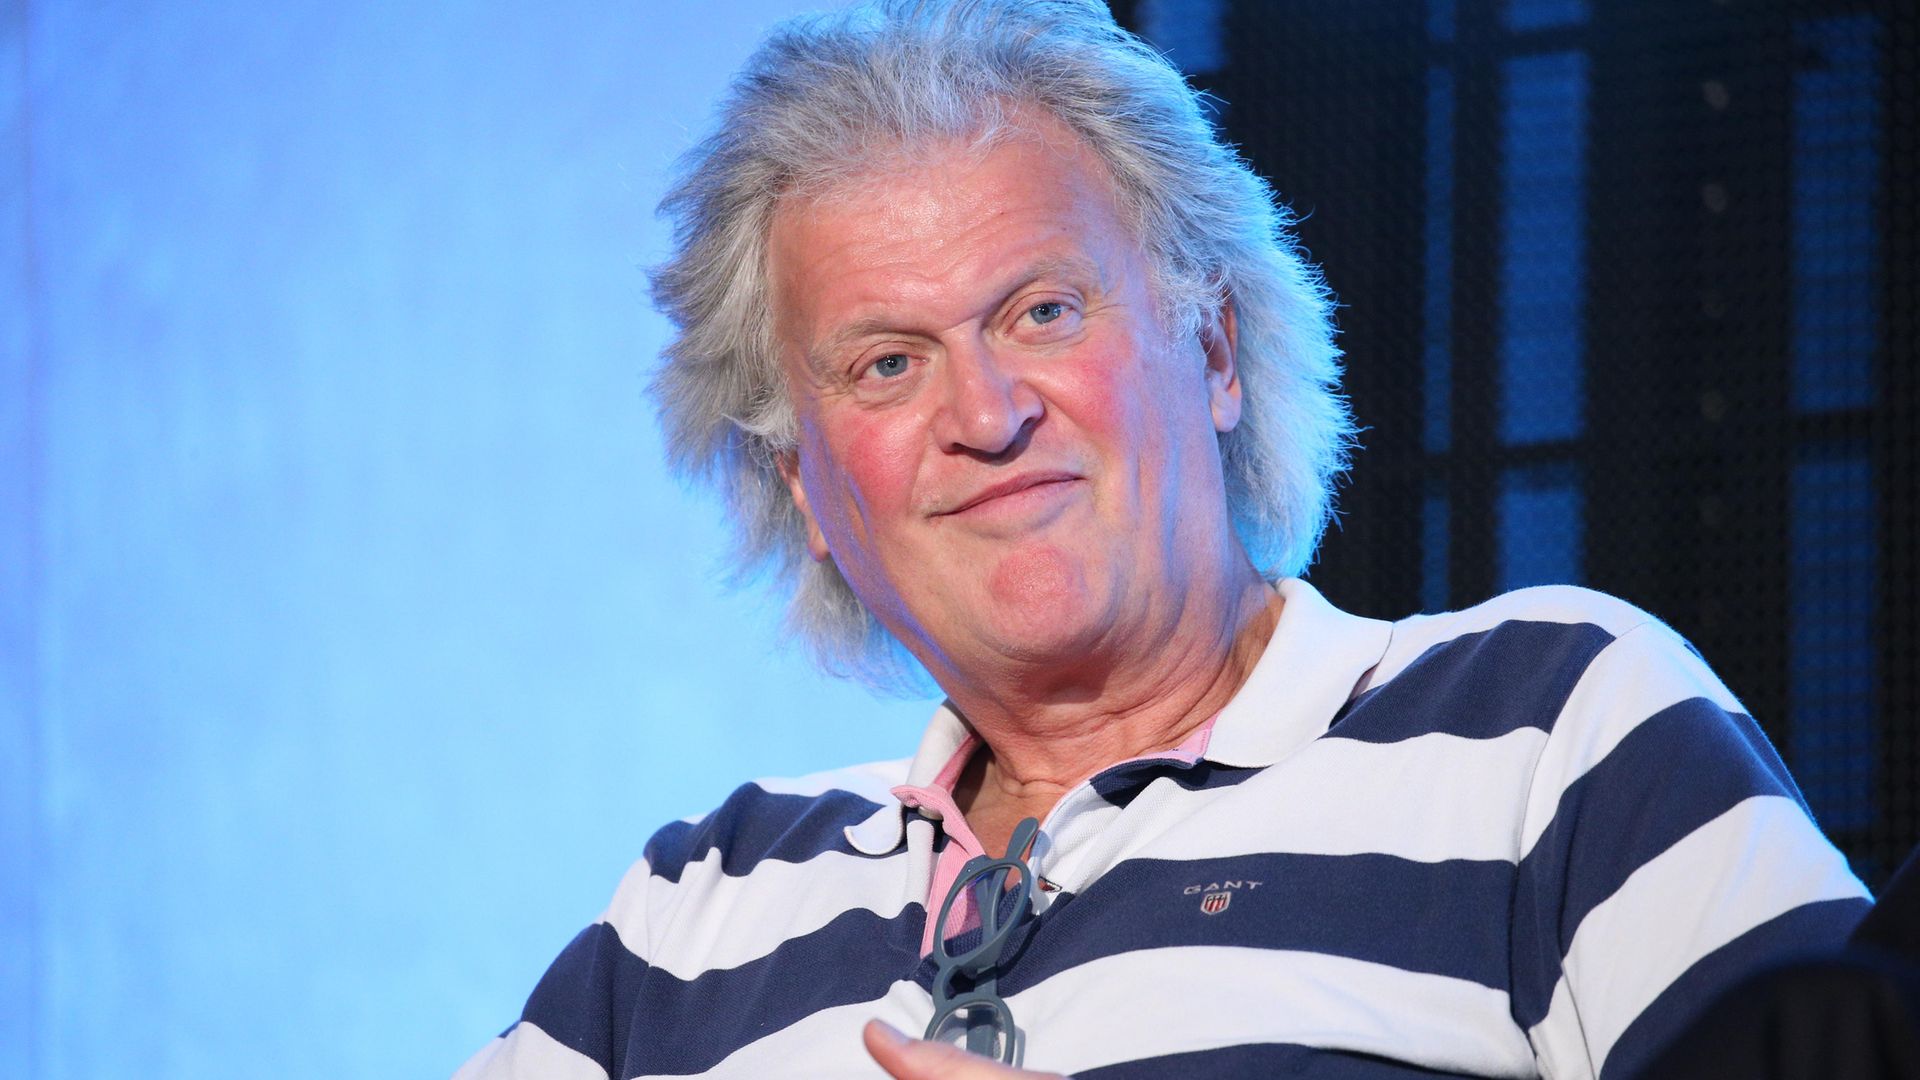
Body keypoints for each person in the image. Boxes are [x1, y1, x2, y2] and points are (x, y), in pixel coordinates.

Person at [454, 1, 1870, 1077]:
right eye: (885, 364)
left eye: (1043, 312)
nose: (988, 413)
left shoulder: (1556, 727)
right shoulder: (697, 908)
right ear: (809, 490)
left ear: (1213, 348)